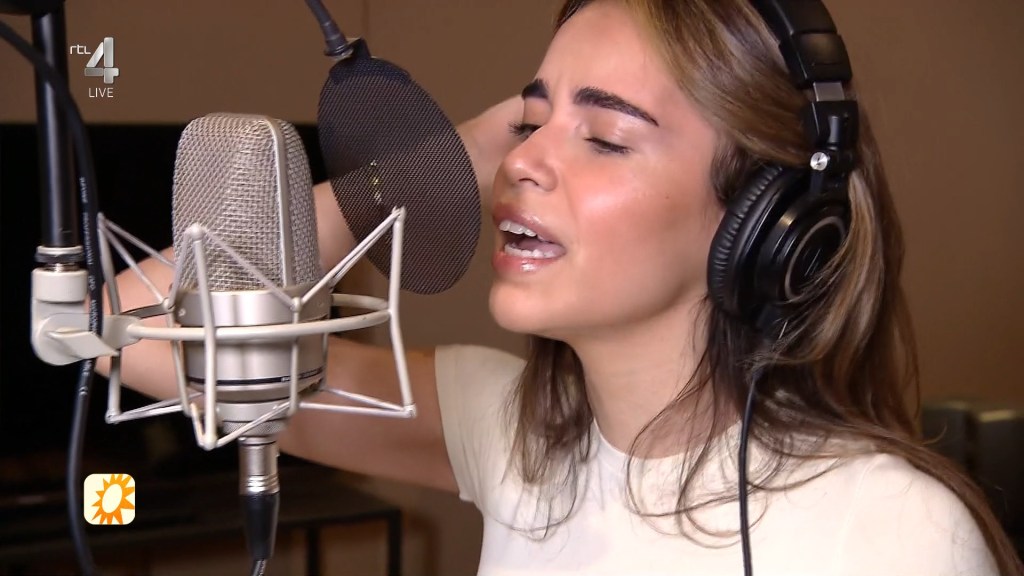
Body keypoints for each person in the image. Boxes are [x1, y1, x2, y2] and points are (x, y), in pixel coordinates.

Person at [102, 0, 1023, 574]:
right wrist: (433, 166)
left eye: (606, 138)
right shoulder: (513, 435)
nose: (523, 161)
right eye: (529, 124)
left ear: (764, 220)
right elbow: (126, 327)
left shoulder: (896, 534)